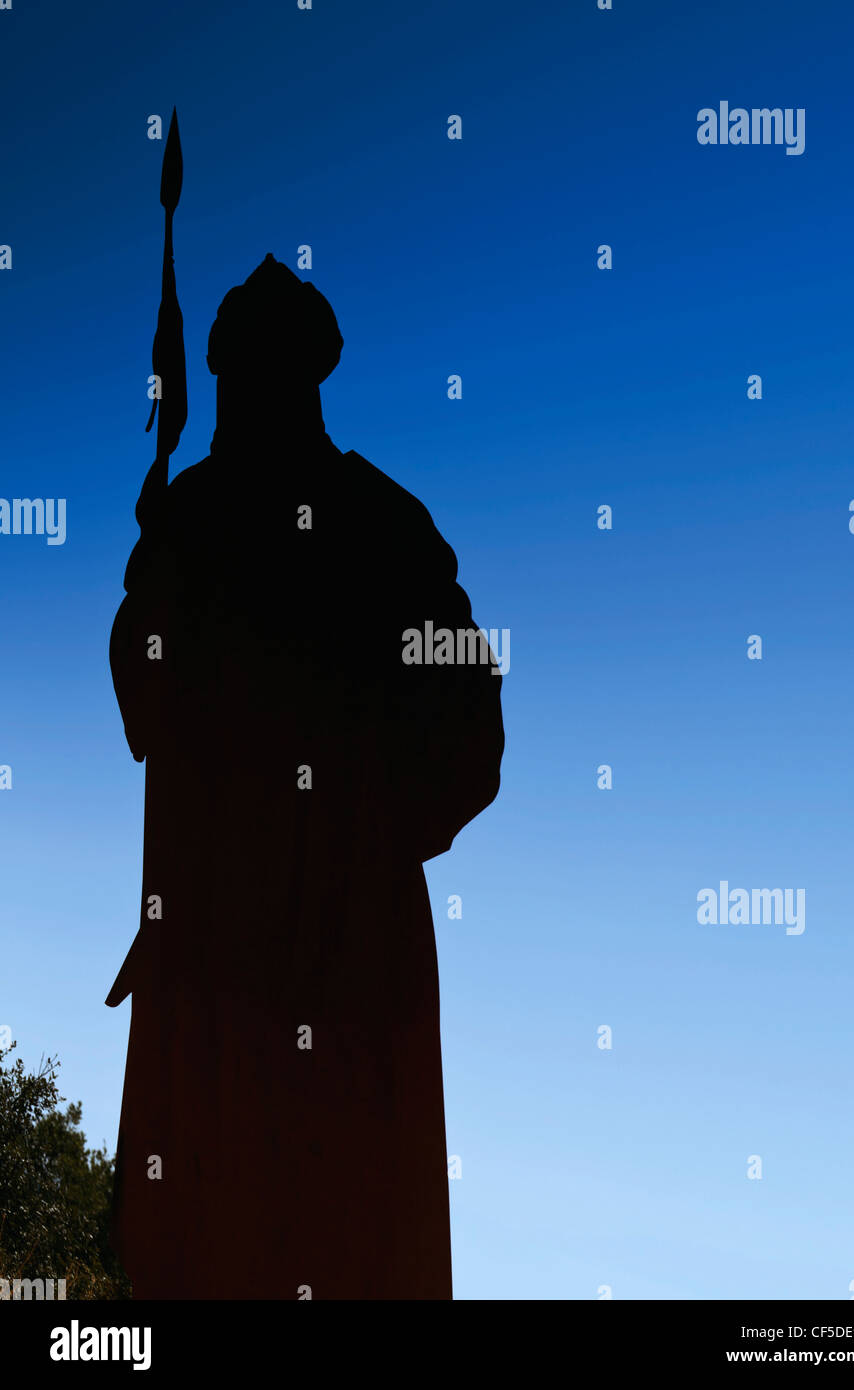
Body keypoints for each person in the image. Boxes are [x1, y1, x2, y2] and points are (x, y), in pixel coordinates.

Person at [106, 255, 504, 1299]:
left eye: (253, 373)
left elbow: (466, 732)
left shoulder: (370, 528)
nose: (242, 396)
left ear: (296, 375)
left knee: (313, 1227)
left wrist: (348, 847)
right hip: (237, 956)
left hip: (316, 955)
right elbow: (144, 703)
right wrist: (149, 575)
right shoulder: (216, 524)